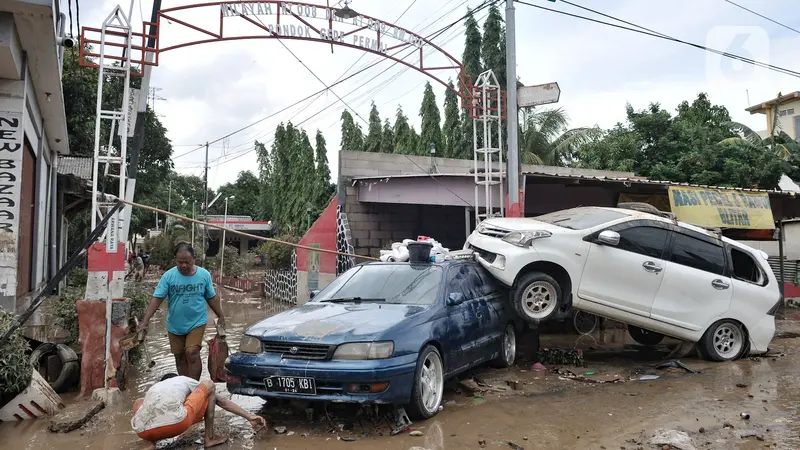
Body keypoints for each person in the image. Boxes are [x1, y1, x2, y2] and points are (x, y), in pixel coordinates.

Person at [137, 242, 225, 380]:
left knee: (192, 352)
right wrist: (145, 321)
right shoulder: (168, 276)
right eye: (180, 262)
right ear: (175, 260)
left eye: (187, 262)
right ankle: (184, 385)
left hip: (197, 321)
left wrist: (221, 316)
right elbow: (156, 299)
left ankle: (194, 386)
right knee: (179, 356)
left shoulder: (204, 275)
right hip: (175, 324)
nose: (184, 265)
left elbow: (212, 298)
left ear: (194, 258)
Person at [132, 373, 266, 449]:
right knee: (209, 384)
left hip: (142, 431)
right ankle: (210, 438)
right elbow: (222, 401)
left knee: (139, 402)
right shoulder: (183, 380)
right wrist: (249, 416)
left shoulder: (156, 388)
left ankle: (151, 444)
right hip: (177, 423)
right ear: (175, 377)